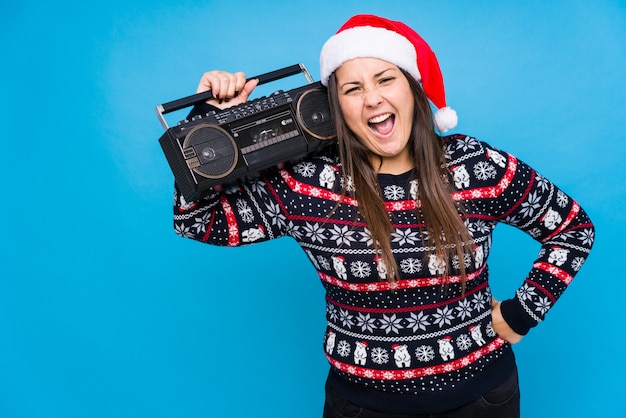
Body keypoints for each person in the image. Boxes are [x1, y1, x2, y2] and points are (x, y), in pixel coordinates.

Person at [171, 14, 595, 418]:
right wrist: (207, 121)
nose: (372, 98)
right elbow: (196, 220)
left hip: (482, 400)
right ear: (334, 105)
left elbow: (573, 228)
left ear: (412, 88)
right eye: (352, 88)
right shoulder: (304, 181)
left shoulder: (473, 165)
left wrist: (523, 313)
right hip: (361, 407)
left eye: (385, 79)